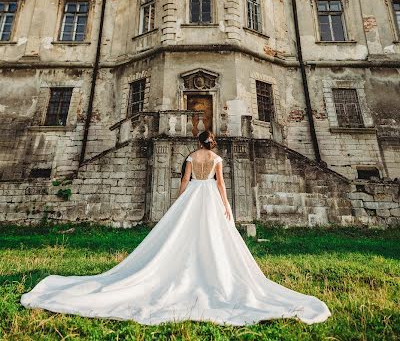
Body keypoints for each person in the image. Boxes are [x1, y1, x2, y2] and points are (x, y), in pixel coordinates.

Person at [20, 130, 331, 325]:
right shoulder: (218, 159)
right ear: (214, 143)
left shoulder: (190, 156)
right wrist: (226, 206)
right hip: (209, 196)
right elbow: (222, 186)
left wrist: (179, 202)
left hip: (194, 194)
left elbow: (184, 182)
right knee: (213, 236)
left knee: (182, 232)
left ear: (198, 142)